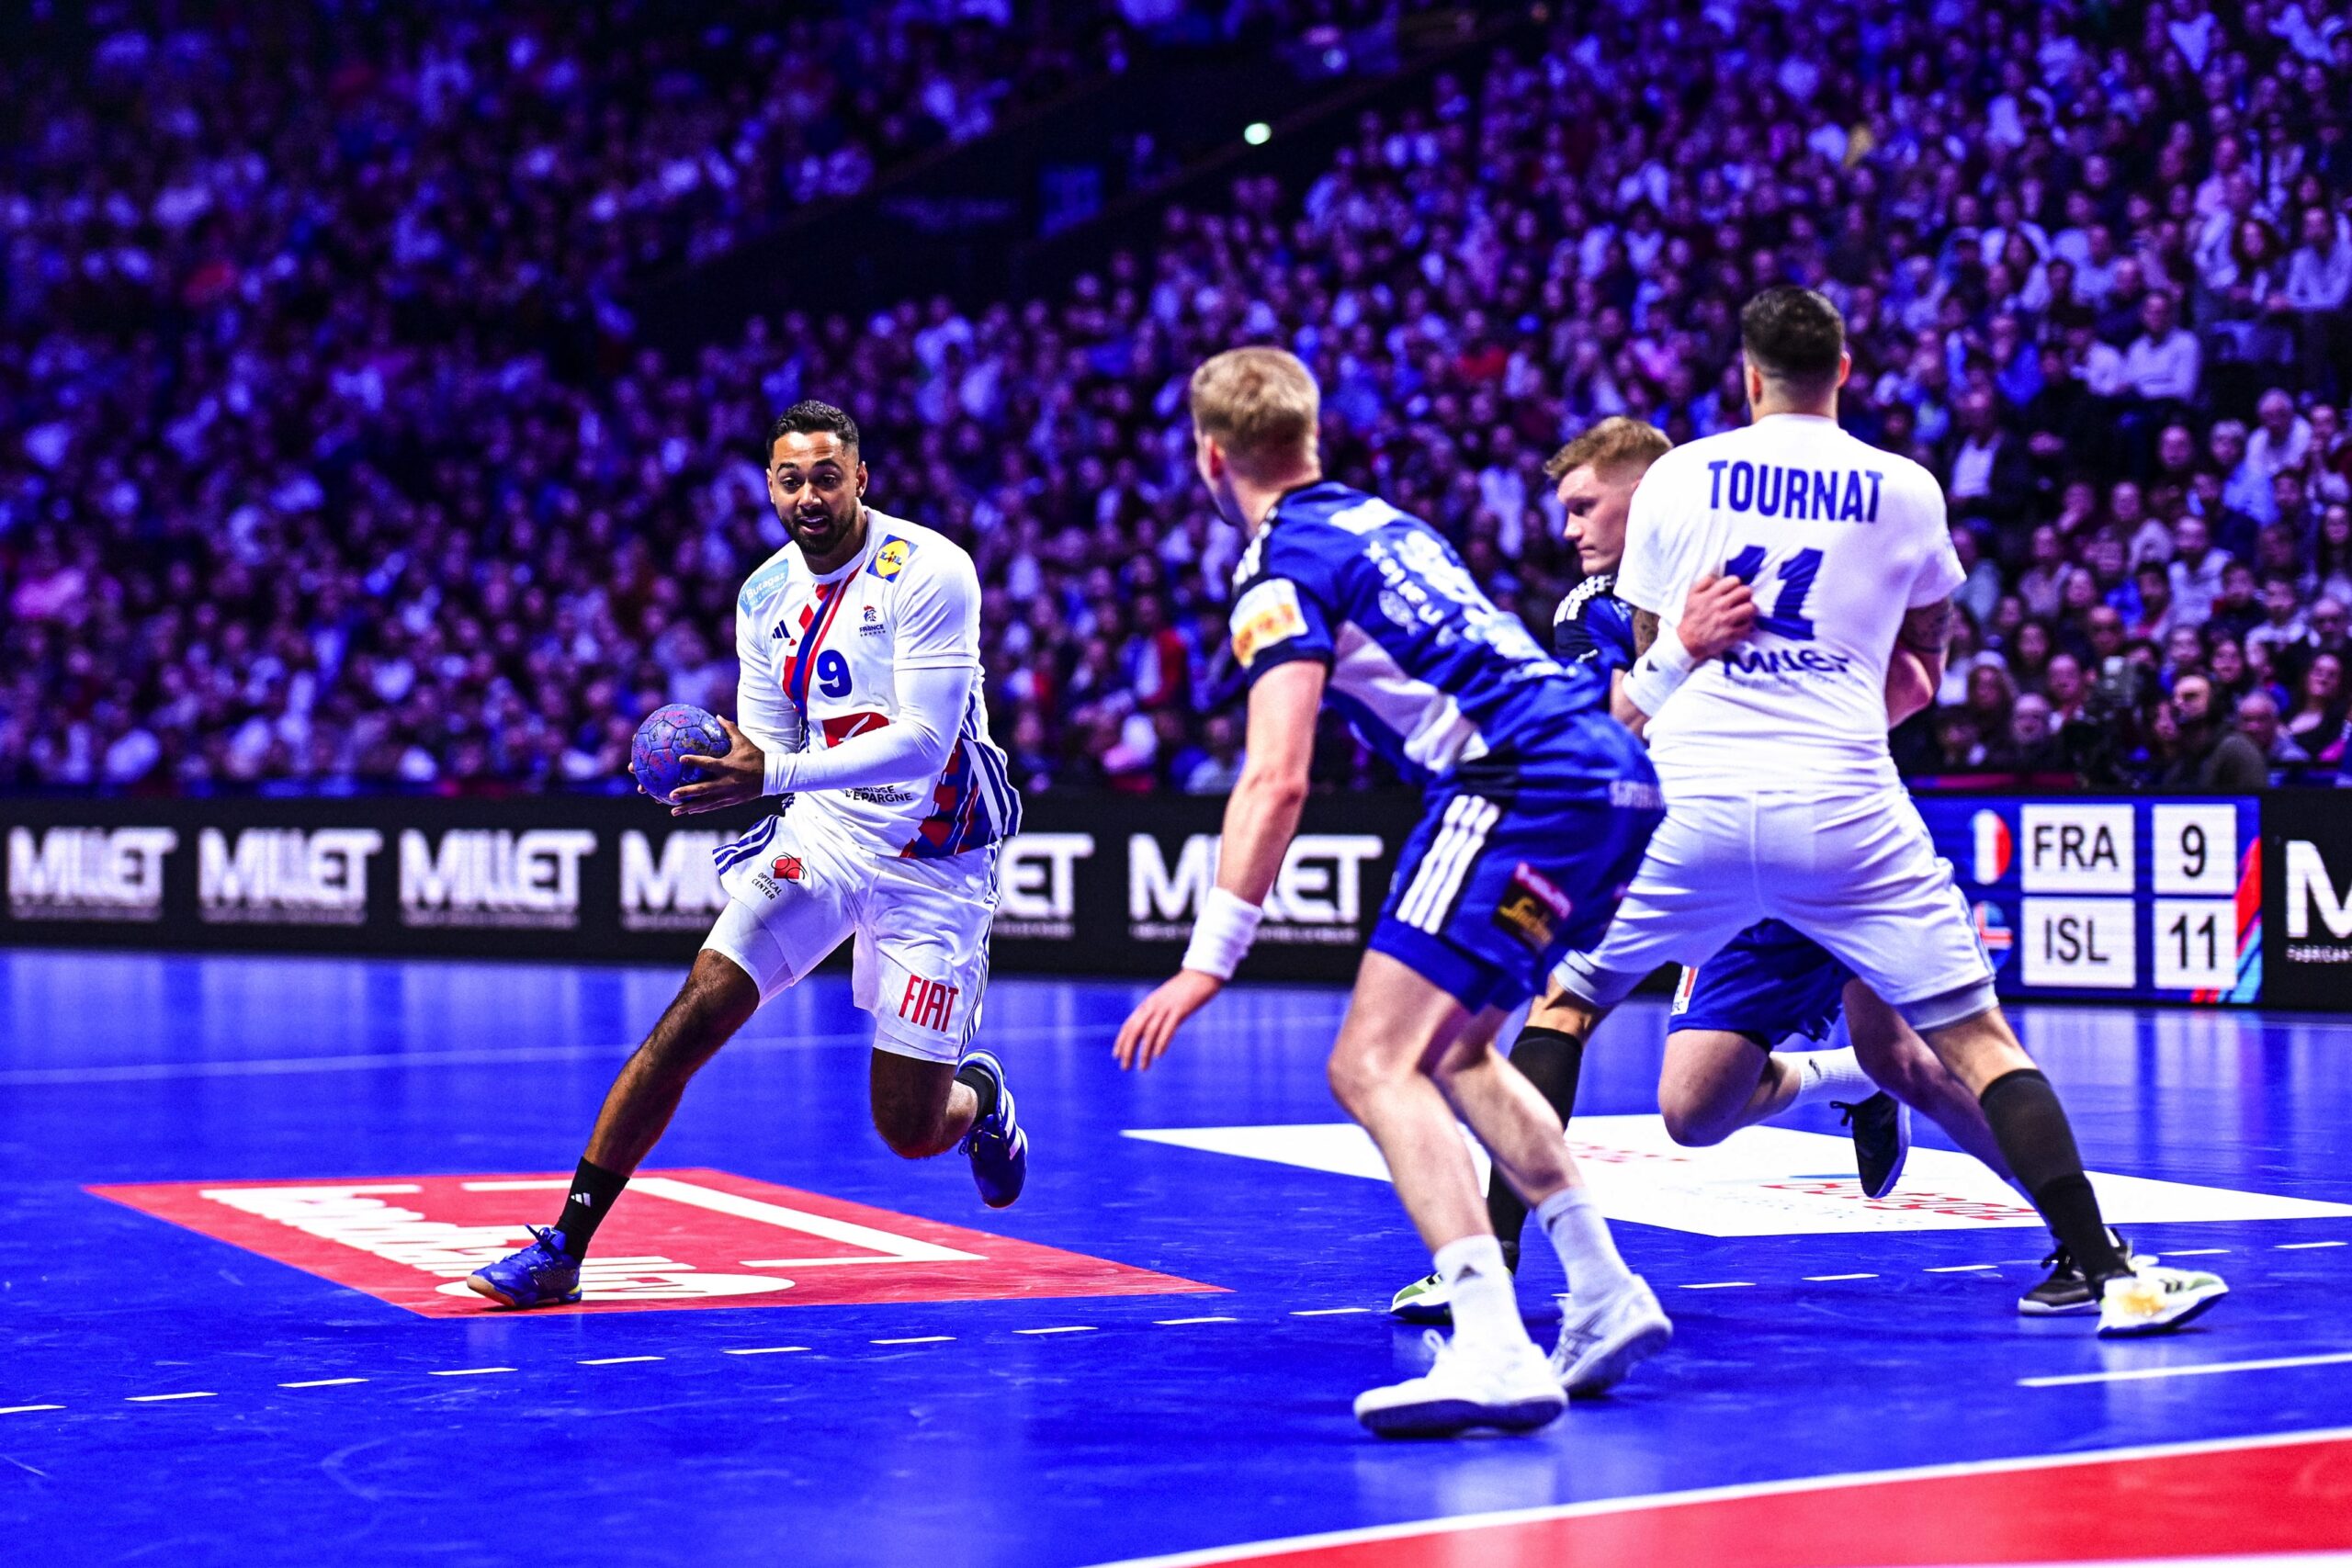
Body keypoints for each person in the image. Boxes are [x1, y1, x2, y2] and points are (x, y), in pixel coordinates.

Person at [1553, 287, 2227, 1337]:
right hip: (1803, 818)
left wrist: (1760, 696)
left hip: (1777, 816)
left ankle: (2090, 1249)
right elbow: (1922, 671)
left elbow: (1634, 706)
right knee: (1694, 1111)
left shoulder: (1684, 499)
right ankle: (1840, 1081)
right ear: (1846, 367)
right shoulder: (1900, 488)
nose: (1572, 528)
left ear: (1742, 379)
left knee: (1921, 1050)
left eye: (1585, 507)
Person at [1113, 348, 1675, 1438]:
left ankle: (1495, 1344)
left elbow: (1276, 777)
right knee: (1458, 1051)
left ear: (1209, 459)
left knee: (1370, 1063)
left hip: (1517, 785)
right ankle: (1604, 1293)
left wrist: (1206, 959)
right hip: (1608, 783)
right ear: (1310, 438)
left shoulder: (1277, 570)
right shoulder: (1386, 522)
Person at [468, 400, 1028, 1308]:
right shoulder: (765, 598)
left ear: (860, 478)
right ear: (770, 485)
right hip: (829, 839)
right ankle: (563, 1245)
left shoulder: (931, 570)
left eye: (826, 476)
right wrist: (741, 798)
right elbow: (765, 747)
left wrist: (777, 767)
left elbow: (925, 743)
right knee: (691, 1015)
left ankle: (979, 1104)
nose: (809, 495)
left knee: (907, 1128)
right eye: (790, 479)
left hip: (937, 859)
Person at [2157, 674, 2269, 790]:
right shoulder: (2186, 755)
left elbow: (2253, 803)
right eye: (2175, 698)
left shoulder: (2236, 750)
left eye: (2190, 696)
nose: (2178, 704)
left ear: (2213, 703)